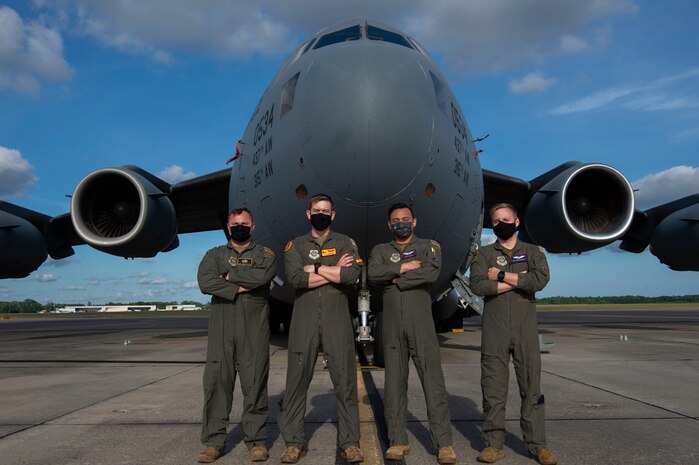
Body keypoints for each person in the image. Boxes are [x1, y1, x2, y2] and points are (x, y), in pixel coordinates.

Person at [278, 194, 364, 463]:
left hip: (336, 319)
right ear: (308, 214)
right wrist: (332, 270)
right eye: (316, 210)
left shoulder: (345, 243)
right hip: (303, 320)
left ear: (333, 215)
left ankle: (350, 443)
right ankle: (294, 442)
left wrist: (313, 267)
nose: (321, 214)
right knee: (296, 383)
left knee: (345, 382)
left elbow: (351, 276)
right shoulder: (295, 245)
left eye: (326, 211)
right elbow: (295, 278)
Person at [367, 203, 456, 464]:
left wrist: (394, 280)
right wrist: (404, 269)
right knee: (394, 385)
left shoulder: (429, 246)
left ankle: (444, 444)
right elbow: (372, 273)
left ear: (414, 222)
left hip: (421, 323)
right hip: (393, 325)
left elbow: (431, 272)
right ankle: (397, 440)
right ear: (389, 225)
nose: (401, 223)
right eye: (396, 220)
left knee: (433, 383)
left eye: (405, 219)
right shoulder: (381, 250)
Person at [469, 203, 557, 465]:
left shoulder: (533, 251)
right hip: (495, 331)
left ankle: (537, 445)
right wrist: (518, 281)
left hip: (525, 331)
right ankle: (493, 444)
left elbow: (540, 281)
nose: (500, 224)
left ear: (516, 222)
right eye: (495, 221)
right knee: (493, 390)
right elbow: (477, 285)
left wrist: (502, 276)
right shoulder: (483, 254)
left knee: (531, 389)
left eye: (505, 219)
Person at [196, 208, 277, 463]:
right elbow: (205, 282)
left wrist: (228, 277)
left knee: (254, 384)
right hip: (222, 327)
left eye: (244, 224)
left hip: (253, 328)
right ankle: (213, 442)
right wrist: (245, 284)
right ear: (228, 228)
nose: (239, 228)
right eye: (235, 224)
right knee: (217, 383)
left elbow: (264, 276)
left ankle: (256, 441)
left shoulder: (265, 255)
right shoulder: (214, 254)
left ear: (253, 227)